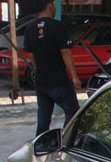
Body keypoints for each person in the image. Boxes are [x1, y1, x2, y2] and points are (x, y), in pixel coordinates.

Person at [23, 0, 81, 136]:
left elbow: (30, 55)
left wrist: (38, 70)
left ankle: (40, 143)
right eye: (54, 5)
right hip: (59, 80)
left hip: (41, 81)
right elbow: (65, 51)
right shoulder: (58, 26)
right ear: (49, 5)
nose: (55, 7)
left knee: (43, 118)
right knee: (73, 112)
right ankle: (66, 140)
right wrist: (74, 77)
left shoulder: (30, 28)